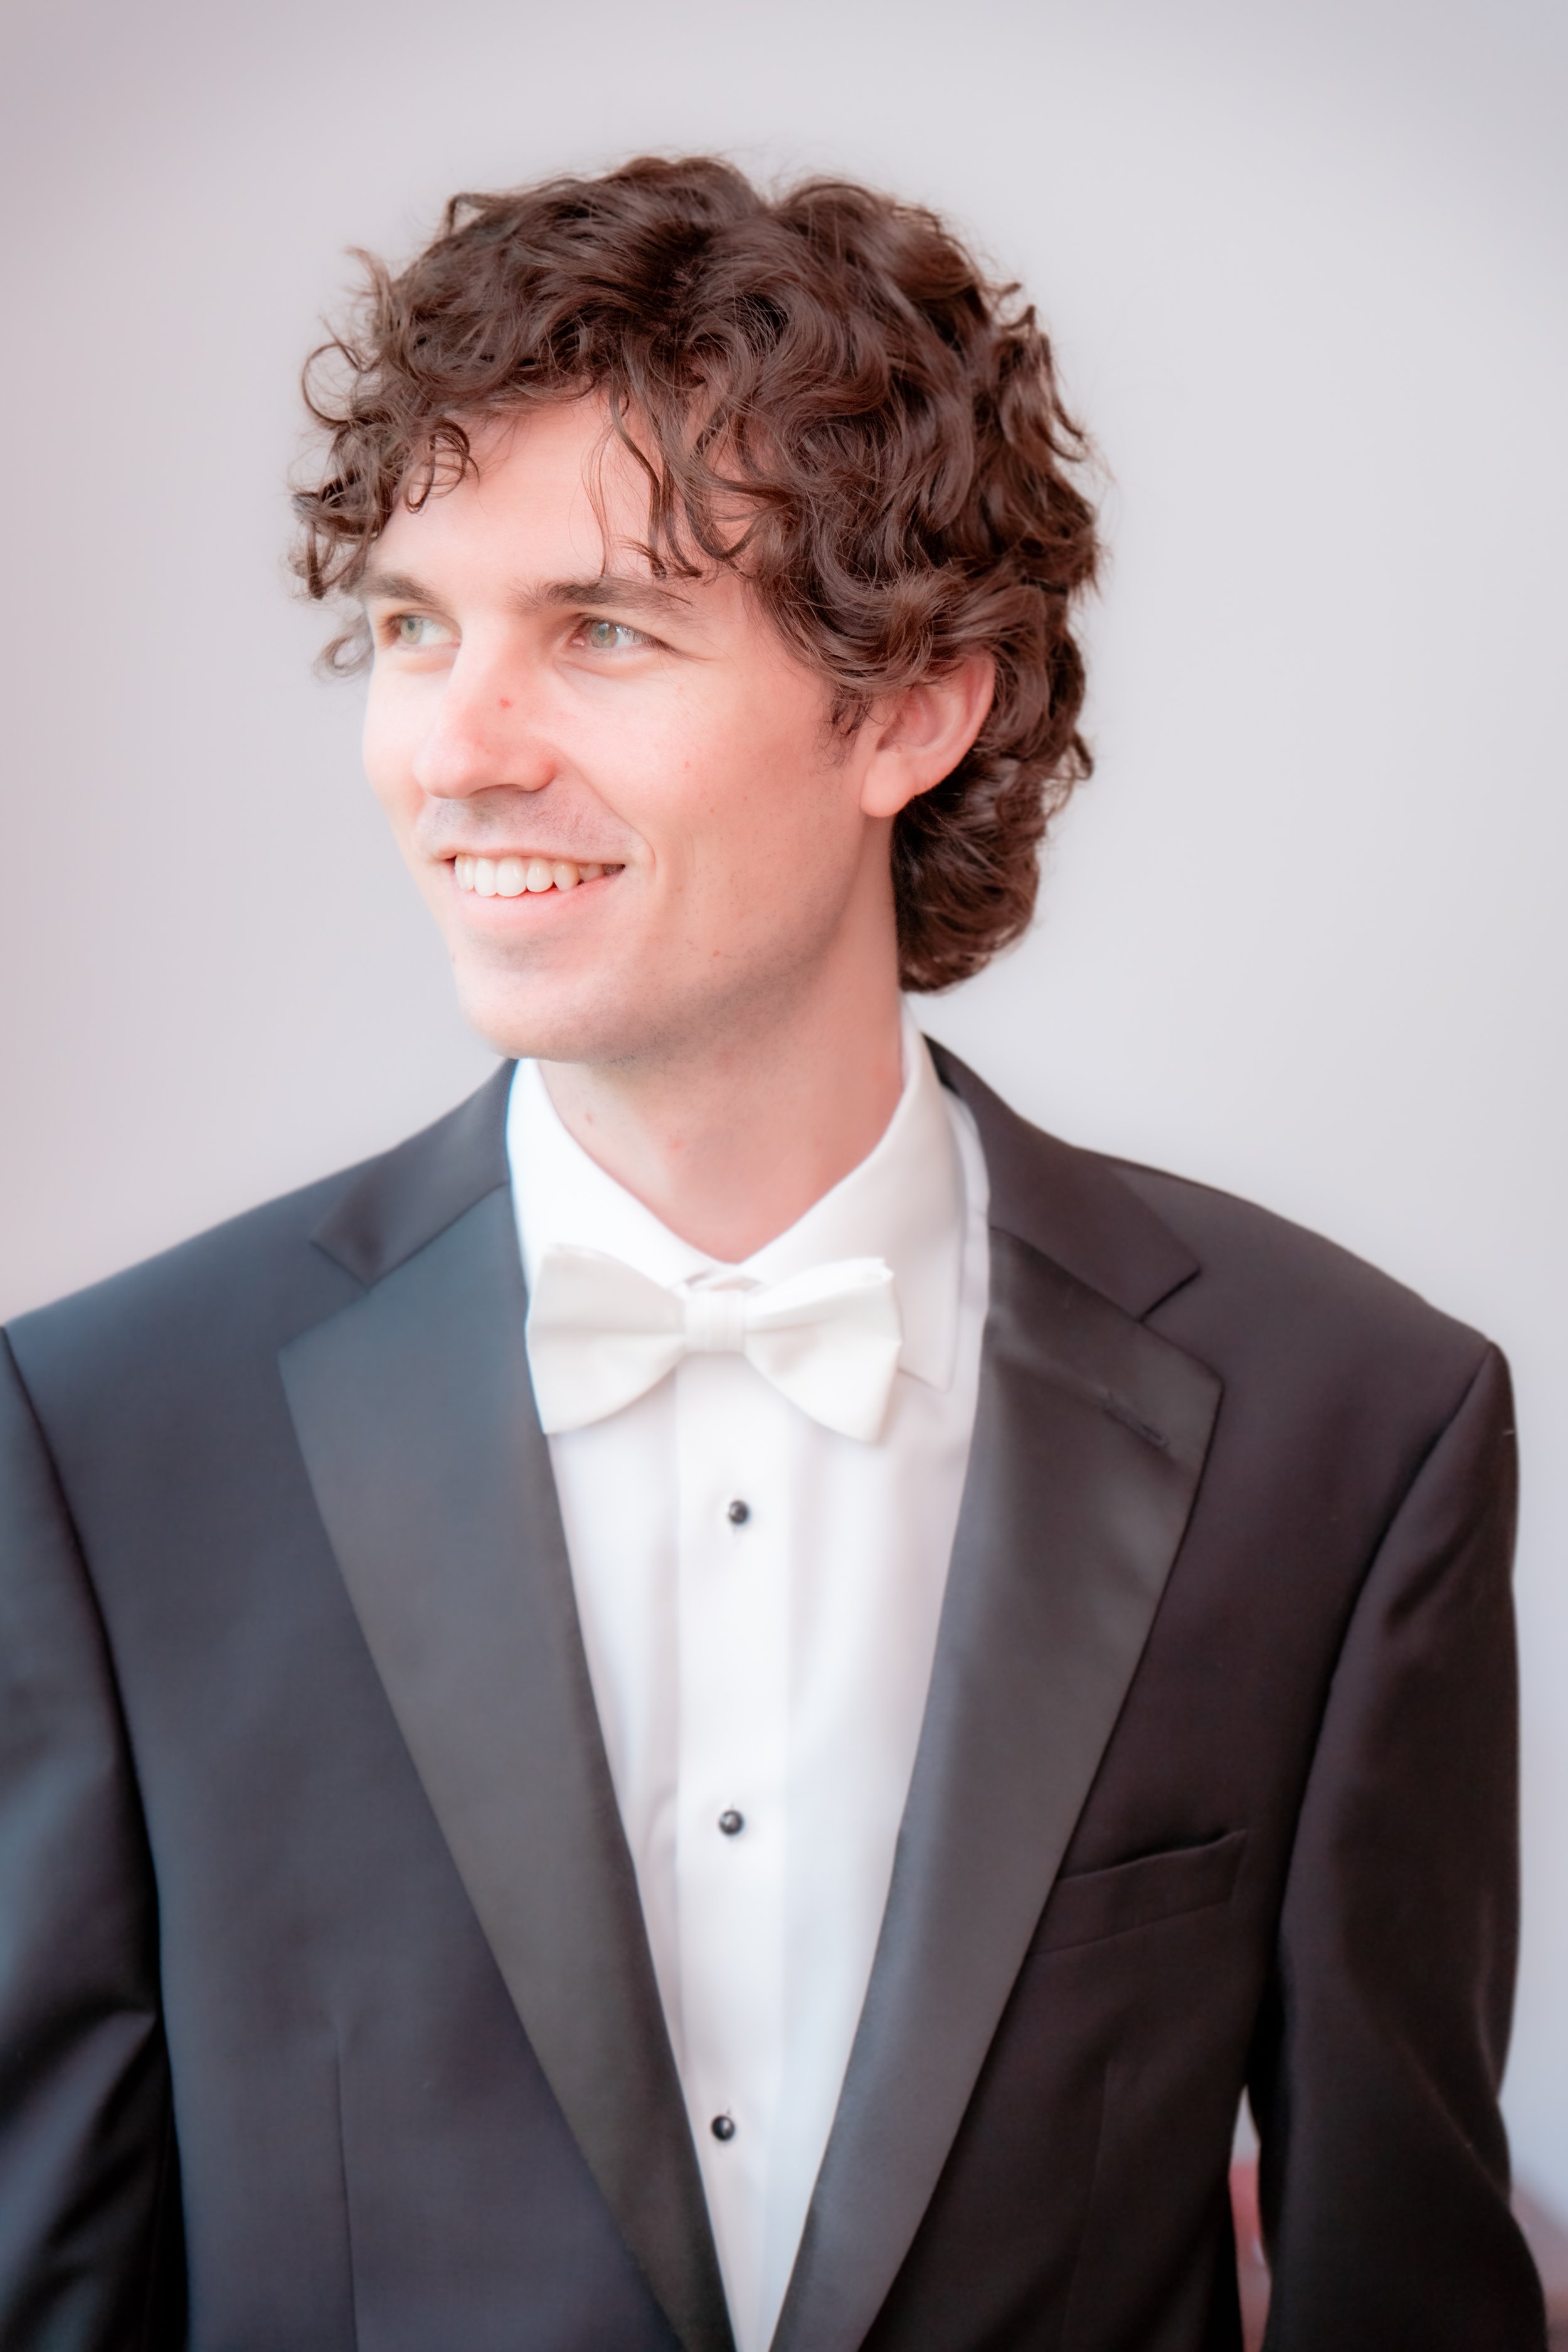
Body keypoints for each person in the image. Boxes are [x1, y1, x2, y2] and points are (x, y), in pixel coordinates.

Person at [0, 154, 1546, 2352]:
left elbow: (1407, 2290)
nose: (454, 748)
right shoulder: (102, 1445)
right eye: (411, 626)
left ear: (912, 708)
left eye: (602, 630)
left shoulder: (1349, 1429)